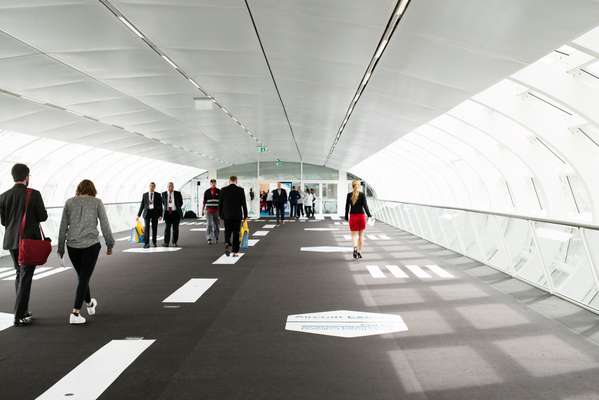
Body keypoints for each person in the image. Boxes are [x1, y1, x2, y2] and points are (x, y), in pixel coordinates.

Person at [58, 180, 114, 325]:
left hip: (72, 246)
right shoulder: (97, 202)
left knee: (82, 276)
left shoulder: (69, 202)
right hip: (90, 245)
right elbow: (105, 224)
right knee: (83, 278)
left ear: (79, 189)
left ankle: (89, 303)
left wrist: (60, 248)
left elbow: (63, 226)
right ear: (92, 189)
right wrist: (109, 243)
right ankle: (75, 312)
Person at [0, 163, 48, 326]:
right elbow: (43, 216)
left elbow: (4, 221)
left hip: (12, 241)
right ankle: (19, 315)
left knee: (20, 274)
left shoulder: (3, 196)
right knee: (26, 276)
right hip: (27, 242)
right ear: (26, 177)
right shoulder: (34, 194)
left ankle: (23, 310)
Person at [219, 176, 248, 257]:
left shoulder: (223, 190)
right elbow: (244, 204)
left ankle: (227, 242)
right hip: (237, 215)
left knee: (227, 231)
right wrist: (245, 215)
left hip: (227, 215)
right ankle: (235, 252)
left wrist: (221, 215)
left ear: (229, 181)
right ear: (236, 181)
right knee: (236, 233)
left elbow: (220, 204)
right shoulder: (240, 190)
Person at [345, 180, 372, 259]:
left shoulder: (349, 195)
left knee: (354, 235)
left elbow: (347, 207)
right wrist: (369, 215)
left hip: (353, 216)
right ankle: (359, 252)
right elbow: (365, 206)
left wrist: (346, 216)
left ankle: (355, 247)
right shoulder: (362, 194)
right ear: (359, 186)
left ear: (352, 186)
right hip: (361, 217)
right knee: (361, 236)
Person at [137, 182, 163, 248]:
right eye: (150, 186)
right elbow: (142, 205)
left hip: (155, 213)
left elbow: (160, 206)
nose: (151, 187)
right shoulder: (145, 195)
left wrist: (160, 215)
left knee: (154, 228)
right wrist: (138, 215)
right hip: (147, 213)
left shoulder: (158, 195)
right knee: (146, 228)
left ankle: (154, 242)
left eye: (153, 186)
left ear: (154, 187)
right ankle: (146, 243)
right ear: (149, 187)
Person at [162, 182, 183, 247]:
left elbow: (181, 202)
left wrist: (176, 207)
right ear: (167, 187)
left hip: (175, 213)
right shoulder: (164, 194)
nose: (170, 187)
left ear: (173, 187)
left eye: (171, 186)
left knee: (175, 229)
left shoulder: (177, 193)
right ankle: (166, 243)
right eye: (169, 186)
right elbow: (163, 203)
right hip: (167, 213)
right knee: (167, 229)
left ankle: (174, 242)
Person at [203, 179, 221, 244]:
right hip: (208, 210)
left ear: (216, 183)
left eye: (214, 183)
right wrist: (203, 209)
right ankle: (209, 238)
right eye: (212, 183)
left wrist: (221, 210)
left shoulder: (219, 191)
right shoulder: (207, 191)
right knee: (209, 224)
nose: (213, 184)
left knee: (216, 224)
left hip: (216, 210)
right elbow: (204, 201)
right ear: (210, 184)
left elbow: (221, 202)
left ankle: (216, 237)